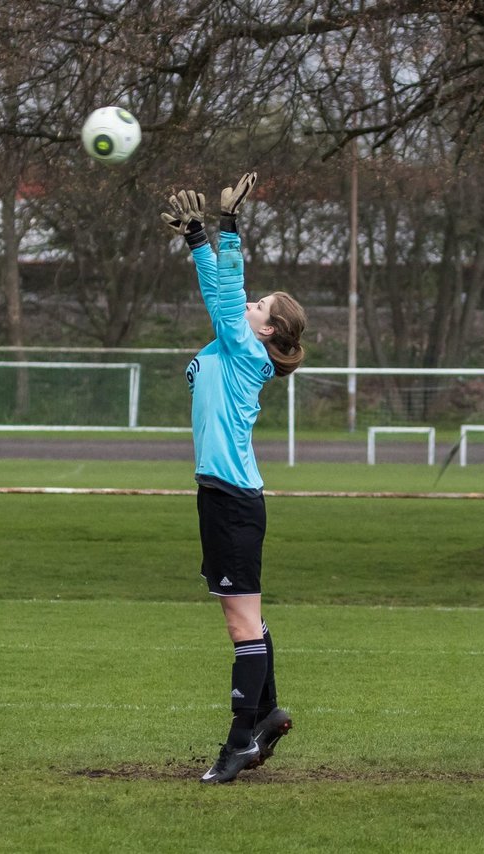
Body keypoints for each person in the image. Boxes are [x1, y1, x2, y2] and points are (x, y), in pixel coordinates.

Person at [160, 172, 307, 783]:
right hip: (222, 498)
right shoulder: (231, 345)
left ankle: (240, 740)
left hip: (233, 502)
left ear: (267, 332)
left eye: (258, 310)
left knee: (241, 624)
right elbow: (222, 294)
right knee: (246, 617)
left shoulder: (246, 352)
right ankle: (268, 712)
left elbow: (225, 290)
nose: (246, 308)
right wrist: (201, 240)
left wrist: (218, 233)